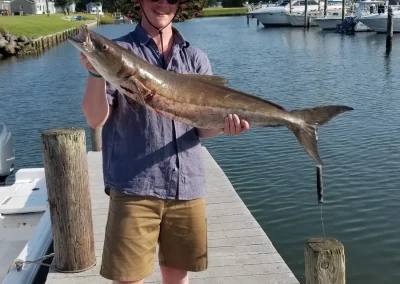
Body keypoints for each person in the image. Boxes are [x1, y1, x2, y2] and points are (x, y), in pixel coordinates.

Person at [79, 0, 250, 283]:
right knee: (128, 279)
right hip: (135, 186)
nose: (162, 4)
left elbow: (201, 130)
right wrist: (96, 70)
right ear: (139, 2)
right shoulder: (121, 51)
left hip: (187, 186)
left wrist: (223, 127)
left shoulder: (195, 57)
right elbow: (96, 119)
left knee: (177, 277)